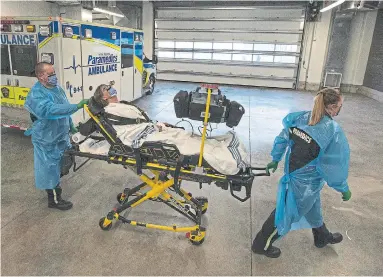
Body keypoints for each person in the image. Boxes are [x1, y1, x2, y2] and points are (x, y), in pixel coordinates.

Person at [252, 88, 352, 258]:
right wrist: (343, 188)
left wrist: (276, 159)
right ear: (333, 108)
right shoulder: (332, 131)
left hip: (298, 175)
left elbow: (283, 137)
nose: (339, 110)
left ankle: (322, 236)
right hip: (305, 181)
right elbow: (335, 164)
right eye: (340, 106)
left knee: (313, 207)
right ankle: (260, 244)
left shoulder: (299, 117)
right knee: (285, 212)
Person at [24, 62, 89, 211]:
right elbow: (50, 110)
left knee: (63, 164)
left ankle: (55, 188)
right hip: (46, 139)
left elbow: (63, 109)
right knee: (49, 169)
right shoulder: (36, 94)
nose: (54, 76)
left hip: (60, 135)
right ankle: (54, 200)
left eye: (54, 73)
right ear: (41, 76)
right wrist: (77, 106)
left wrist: (71, 125)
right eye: (50, 74)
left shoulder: (57, 89)